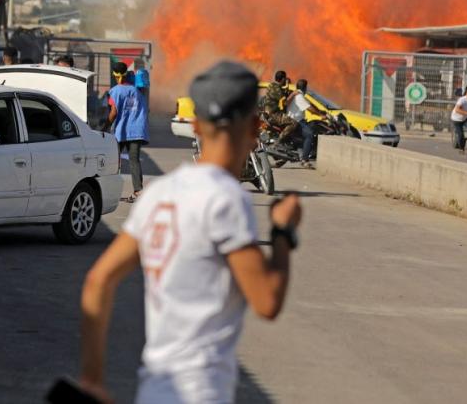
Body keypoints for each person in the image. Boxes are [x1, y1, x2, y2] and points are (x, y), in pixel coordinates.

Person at [79, 61, 302, 404]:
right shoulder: (227, 200)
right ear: (255, 128)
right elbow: (267, 301)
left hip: (153, 390)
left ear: (196, 125)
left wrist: (92, 379)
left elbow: (98, 282)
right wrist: (284, 232)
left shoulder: (159, 194)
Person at [108, 62, 149, 202]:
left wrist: (105, 126)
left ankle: (108, 191)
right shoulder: (137, 90)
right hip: (137, 131)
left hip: (121, 131)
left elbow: (113, 113)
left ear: (114, 75)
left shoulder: (115, 91)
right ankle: (138, 192)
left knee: (112, 160)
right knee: (134, 161)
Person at [286, 79, 324, 168]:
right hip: (296, 121)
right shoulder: (299, 96)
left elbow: (309, 104)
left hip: (296, 120)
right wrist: (320, 115)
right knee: (310, 135)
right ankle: (304, 159)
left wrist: (320, 110)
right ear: (305, 87)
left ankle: (300, 150)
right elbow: (309, 108)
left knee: (310, 127)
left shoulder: (298, 95)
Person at [262, 70, 295, 143]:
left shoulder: (272, 85)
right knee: (293, 123)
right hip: (273, 114)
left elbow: (283, 93)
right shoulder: (276, 88)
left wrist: (287, 87)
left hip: (270, 113)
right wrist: (294, 94)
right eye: (285, 79)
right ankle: (279, 141)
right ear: (283, 79)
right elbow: (285, 101)